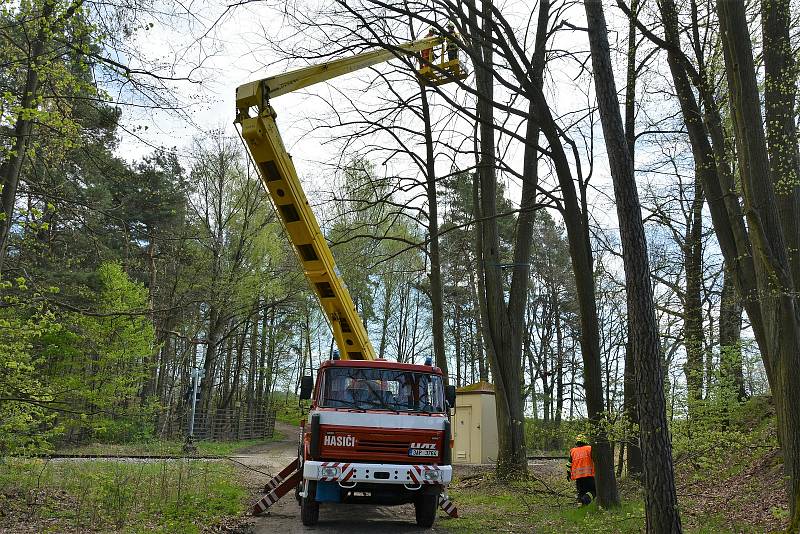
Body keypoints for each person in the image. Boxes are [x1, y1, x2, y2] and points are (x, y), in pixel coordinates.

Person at [567, 434, 596, 505]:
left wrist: (568, 474)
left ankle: (580, 506)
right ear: (585, 441)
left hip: (578, 476)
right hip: (589, 475)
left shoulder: (573, 451)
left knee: (581, 492)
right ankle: (585, 499)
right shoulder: (590, 448)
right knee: (594, 491)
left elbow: (568, 464)